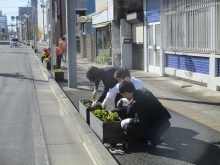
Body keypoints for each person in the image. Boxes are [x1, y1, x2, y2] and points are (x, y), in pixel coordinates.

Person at [118, 81, 171, 148]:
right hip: (164, 119)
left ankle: (153, 137)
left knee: (129, 128)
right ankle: (155, 136)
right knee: (131, 110)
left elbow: (141, 122)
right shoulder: (142, 90)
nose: (124, 97)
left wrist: (127, 121)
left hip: (159, 124)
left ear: (125, 93)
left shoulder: (136, 102)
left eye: (123, 95)